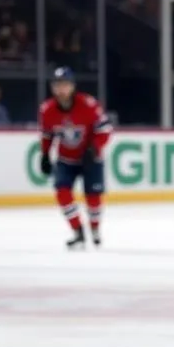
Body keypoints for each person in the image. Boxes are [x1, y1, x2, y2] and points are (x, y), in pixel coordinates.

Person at [38, 67, 112, 248]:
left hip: (90, 157)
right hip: (66, 159)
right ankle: (77, 231)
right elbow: (47, 135)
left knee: (93, 197)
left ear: (72, 86)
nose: (61, 90)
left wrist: (94, 149)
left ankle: (94, 228)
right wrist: (45, 154)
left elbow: (104, 130)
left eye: (65, 85)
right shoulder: (47, 110)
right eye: (57, 85)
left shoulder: (88, 104)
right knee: (62, 191)